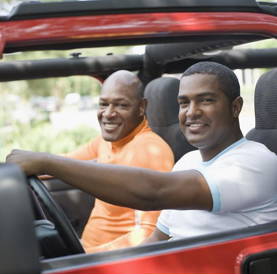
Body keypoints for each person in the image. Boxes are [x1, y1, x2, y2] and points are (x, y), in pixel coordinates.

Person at [6, 62, 277, 245]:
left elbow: (153, 193)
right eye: (183, 103)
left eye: (206, 100)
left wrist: (45, 161)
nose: (191, 112)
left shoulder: (257, 162)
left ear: (235, 107)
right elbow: (156, 241)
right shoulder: (189, 161)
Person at [40, 70, 174, 253]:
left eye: (121, 105)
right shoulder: (106, 141)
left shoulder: (149, 150)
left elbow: (149, 233)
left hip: (110, 261)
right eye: (103, 104)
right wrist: (20, 167)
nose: (108, 114)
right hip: (86, 250)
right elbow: (61, 164)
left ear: (141, 107)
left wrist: (87, 256)